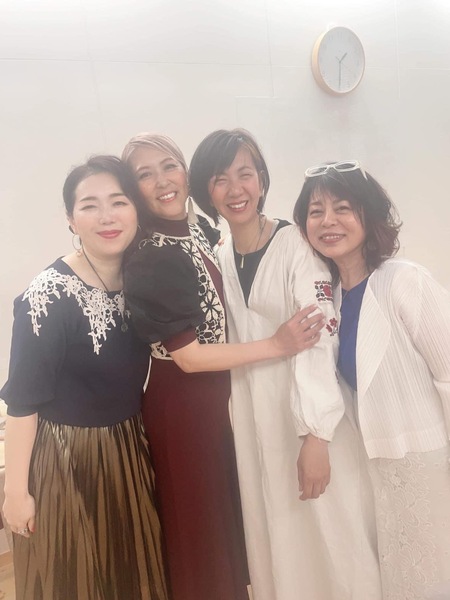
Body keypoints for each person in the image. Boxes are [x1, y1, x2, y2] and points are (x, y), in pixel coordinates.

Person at [121, 133, 323, 600]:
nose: (162, 181)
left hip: (219, 401)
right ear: (133, 189)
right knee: (201, 532)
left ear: (185, 174)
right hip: (184, 405)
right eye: (145, 175)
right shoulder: (152, 254)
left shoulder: (202, 234)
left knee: (227, 525)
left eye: (168, 166)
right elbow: (189, 357)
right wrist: (276, 344)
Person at [189, 129, 382, 600]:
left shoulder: (295, 242)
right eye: (220, 179)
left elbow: (320, 338)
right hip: (255, 425)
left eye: (245, 174)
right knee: (277, 539)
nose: (235, 189)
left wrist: (316, 435)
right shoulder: (218, 255)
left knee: (332, 537)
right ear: (206, 191)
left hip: (309, 422)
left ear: (261, 179)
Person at [1, 156, 169, 600]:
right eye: (90, 205)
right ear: (71, 219)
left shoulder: (141, 279)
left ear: (136, 210)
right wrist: (14, 493)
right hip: (66, 460)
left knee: (132, 576)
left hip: (128, 451)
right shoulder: (45, 296)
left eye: (118, 202)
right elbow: (22, 402)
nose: (107, 216)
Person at [294, 160, 450, 600]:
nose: (328, 221)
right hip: (373, 468)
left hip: (426, 464)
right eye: (316, 211)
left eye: (342, 208)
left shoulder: (404, 281)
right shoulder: (331, 299)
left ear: (368, 214)